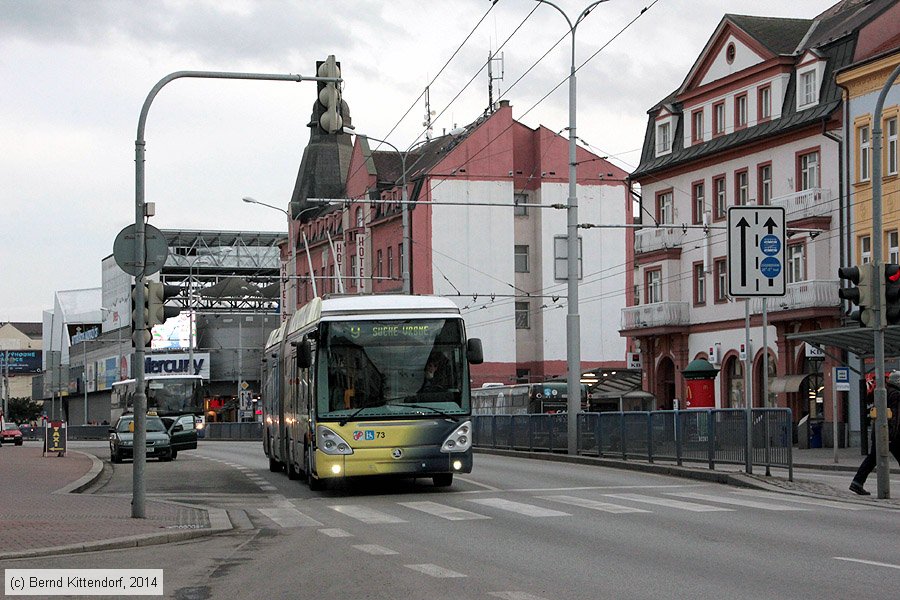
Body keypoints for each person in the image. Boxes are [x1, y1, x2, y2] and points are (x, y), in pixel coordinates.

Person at [849, 370, 900, 495]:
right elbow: (895, 416)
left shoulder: (883, 391)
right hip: (891, 433)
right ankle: (857, 482)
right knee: (873, 458)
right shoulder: (896, 394)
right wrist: (892, 435)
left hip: (879, 430)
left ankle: (857, 482)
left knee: (872, 458)